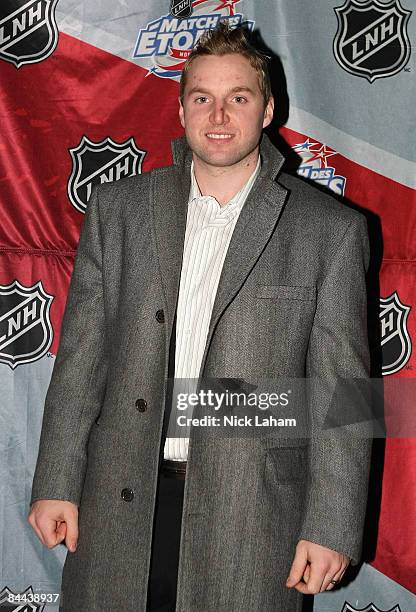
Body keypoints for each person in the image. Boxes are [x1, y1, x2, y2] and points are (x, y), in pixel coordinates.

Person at [28, 24, 372, 612]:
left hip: (254, 518)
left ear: (267, 110)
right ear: (182, 106)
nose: (218, 115)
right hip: (118, 507)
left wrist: (334, 524)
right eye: (202, 97)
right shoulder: (119, 210)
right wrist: (56, 481)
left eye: (238, 97)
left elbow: (343, 396)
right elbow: (81, 360)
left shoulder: (330, 232)